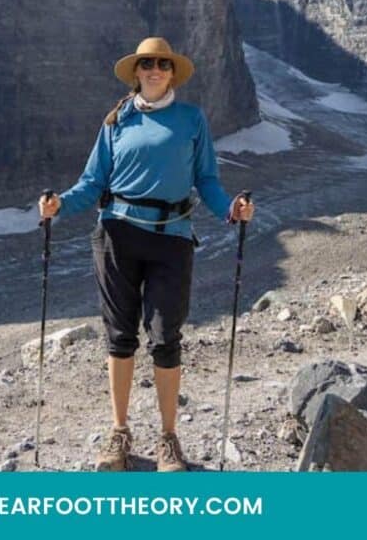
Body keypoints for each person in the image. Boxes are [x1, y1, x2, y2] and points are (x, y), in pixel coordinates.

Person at [38, 37, 254, 472]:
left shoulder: (192, 119)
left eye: (162, 64)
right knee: (120, 337)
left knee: (165, 338)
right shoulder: (116, 121)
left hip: (171, 239)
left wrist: (231, 210)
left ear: (172, 72)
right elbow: (92, 183)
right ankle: (120, 432)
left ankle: (168, 438)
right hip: (116, 235)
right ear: (136, 72)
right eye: (146, 64)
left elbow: (207, 180)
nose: (154, 70)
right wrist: (60, 203)